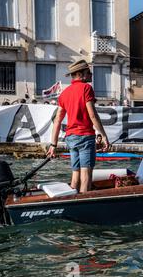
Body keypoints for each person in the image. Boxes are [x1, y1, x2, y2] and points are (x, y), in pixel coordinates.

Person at [47, 59, 110, 193]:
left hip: (71, 138)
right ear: (81, 74)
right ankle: (83, 205)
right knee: (86, 174)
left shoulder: (64, 93)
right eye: (89, 72)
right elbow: (92, 115)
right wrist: (104, 135)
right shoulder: (86, 88)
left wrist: (53, 145)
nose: (92, 75)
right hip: (85, 137)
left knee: (75, 174)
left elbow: (58, 119)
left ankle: (71, 200)